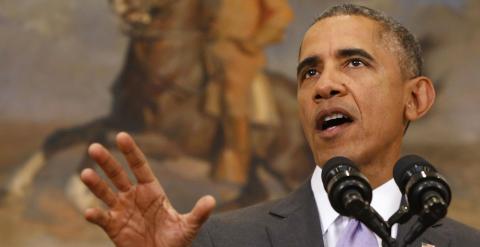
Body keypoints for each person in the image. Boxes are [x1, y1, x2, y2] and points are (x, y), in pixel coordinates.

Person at [79, 4, 480, 247]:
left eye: (354, 63)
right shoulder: (222, 241)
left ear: (415, 99)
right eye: (309, 72)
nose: (324, 86)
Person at [204, 0, 293, 186]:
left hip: (240, 54)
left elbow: (282, 14)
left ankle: (236, 165)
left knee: (233, 101)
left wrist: (256, 40)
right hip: (213, 50)